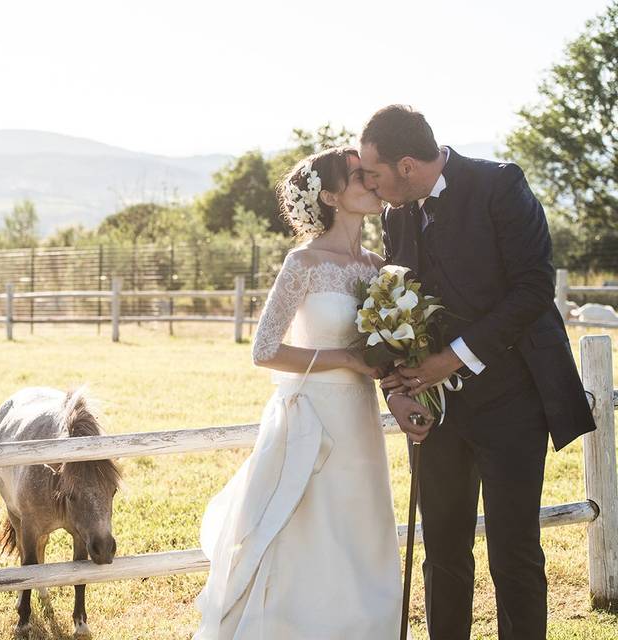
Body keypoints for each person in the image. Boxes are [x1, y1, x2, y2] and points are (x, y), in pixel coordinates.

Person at [360, 104, 596, 639]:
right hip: (438, 413)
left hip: (514, 401)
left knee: (513, 550)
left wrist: (454, 357)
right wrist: (398, 388)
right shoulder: (395, 215)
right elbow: (399, 309)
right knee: (442, 550)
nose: (368, 185)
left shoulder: (499, 185)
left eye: (373, 173)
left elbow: (534, 286)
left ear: (405, 165)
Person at [194, 146, 406, 638]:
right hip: (312, 418)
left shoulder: (380, 267)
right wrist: (346, 360)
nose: (372, 181)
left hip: (360, 420)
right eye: (358, 176)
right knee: (307, 537)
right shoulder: (303, 263)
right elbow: (264, 348)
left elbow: (388, 348)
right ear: (331, 196)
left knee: (361, 532)